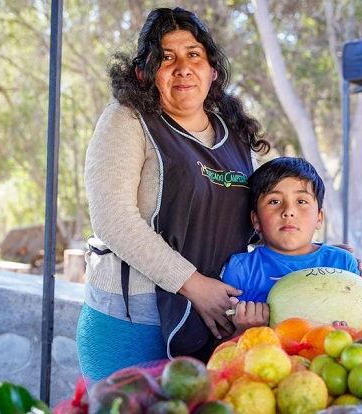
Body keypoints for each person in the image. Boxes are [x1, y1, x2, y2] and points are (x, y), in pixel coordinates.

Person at [77, 7, 271, 382]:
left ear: (212, 70)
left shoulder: (234, 132)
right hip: (133, 321)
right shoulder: (127, 119)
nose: (183, 67)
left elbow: (257, 219)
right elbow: (113, 219)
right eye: (166, 58)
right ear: (144, 73)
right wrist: (194, 285)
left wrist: (317, 255)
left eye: (193, 55)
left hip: (212, 320)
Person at [220, 157, 362, 336]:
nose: (288, 211)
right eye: (274, 201)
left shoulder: (343, 262)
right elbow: (221, 350)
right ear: (256, 220)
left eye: (301, 201)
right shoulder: (241, 269)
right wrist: (245, 330)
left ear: (319, 218)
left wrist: (351, 335)